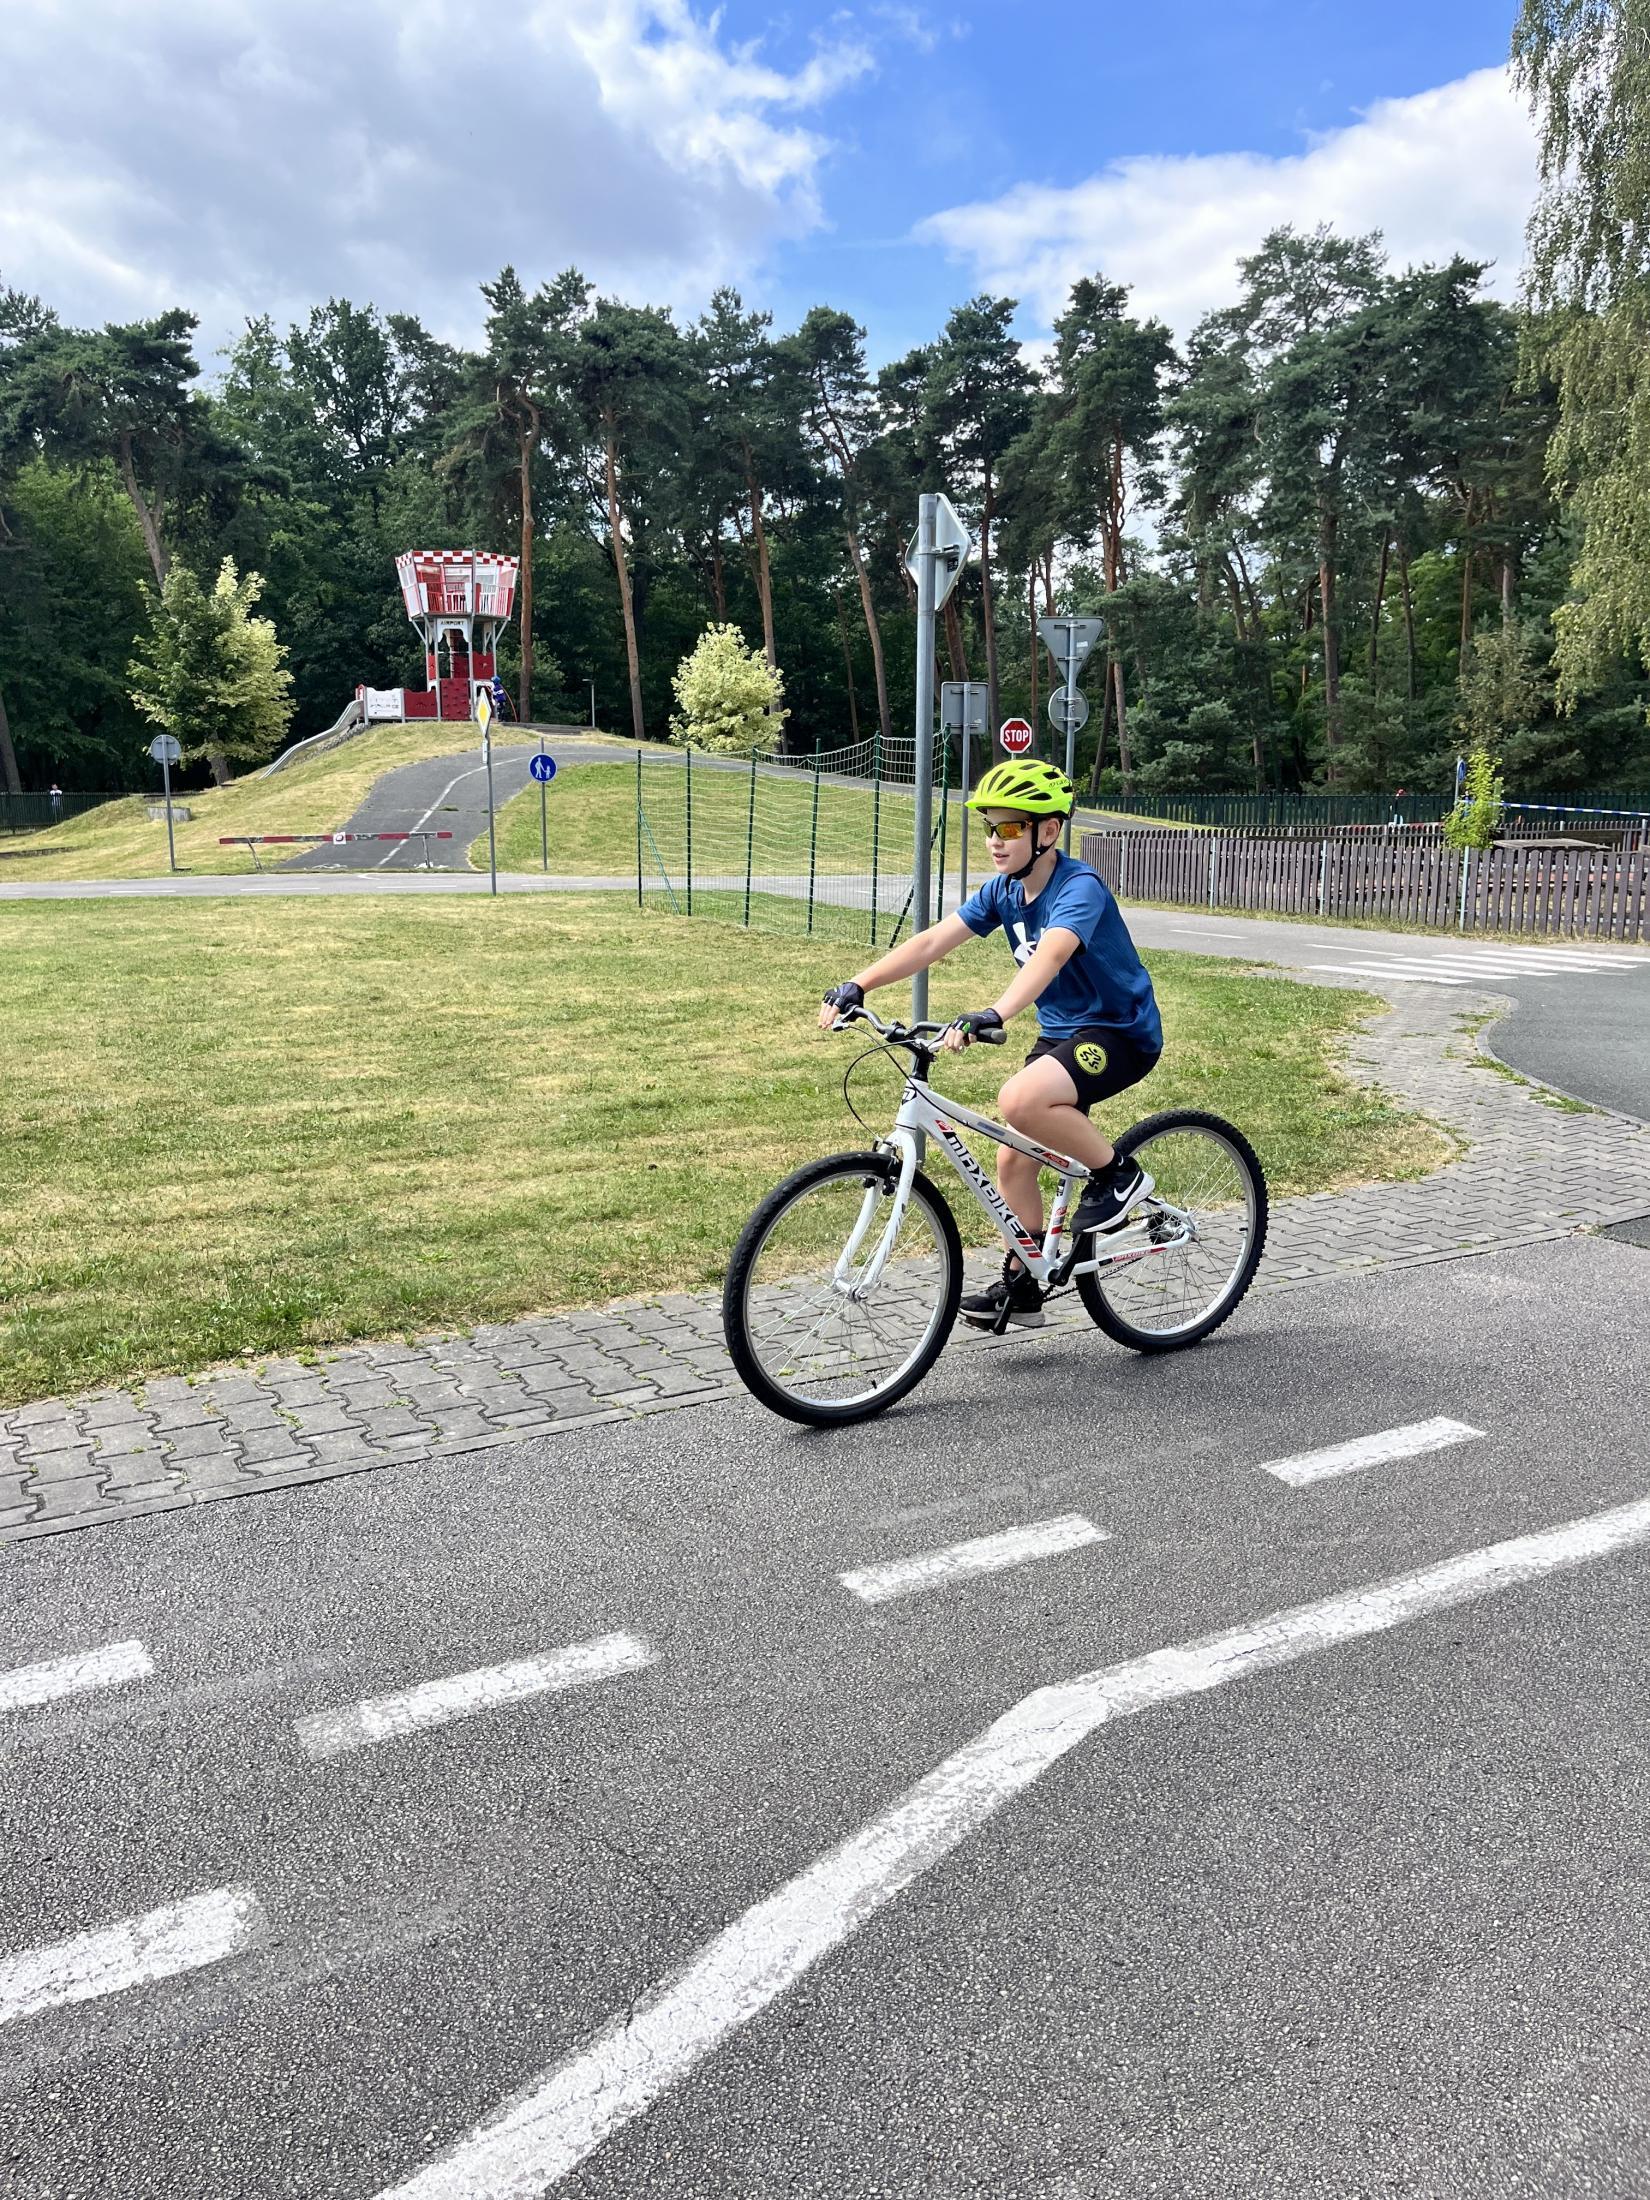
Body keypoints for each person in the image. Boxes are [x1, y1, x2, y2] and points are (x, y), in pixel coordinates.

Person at [819, 758, 1163, 1330]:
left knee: (1020, 1100)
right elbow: (933, 941)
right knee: (1012, 1160)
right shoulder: (1004, 891)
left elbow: (1052, 955)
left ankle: (1119, 1177)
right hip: (1063, 1034)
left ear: (1047, 831)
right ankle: (1025, 1286)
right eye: (989, 828)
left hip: (1120, 1031)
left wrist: (994, 1014)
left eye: (1008, 828)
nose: (995, 840)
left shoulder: (1078, 888)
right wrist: (860, 983)